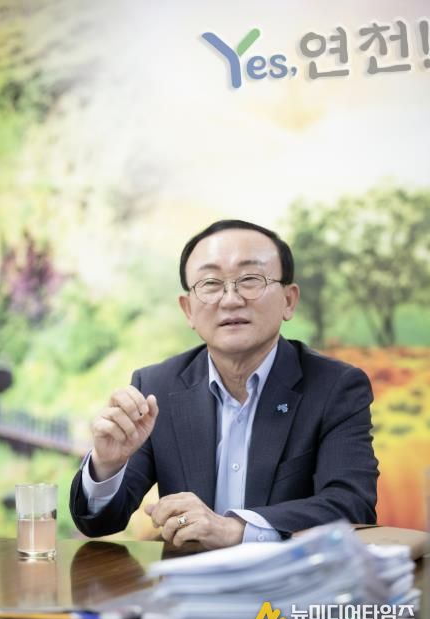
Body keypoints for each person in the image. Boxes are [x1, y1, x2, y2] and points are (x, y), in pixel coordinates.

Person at [70, 220, 378, 549]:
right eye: (210, 283)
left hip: (289, 578)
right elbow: (101, 522)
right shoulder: (157, 386)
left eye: (250, 279)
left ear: (288, 301)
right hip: (190, 579)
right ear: (188, 309)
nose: (230, 300)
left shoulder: (335, 387)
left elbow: (351, 505)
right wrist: (107, 465)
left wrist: (235, 529)